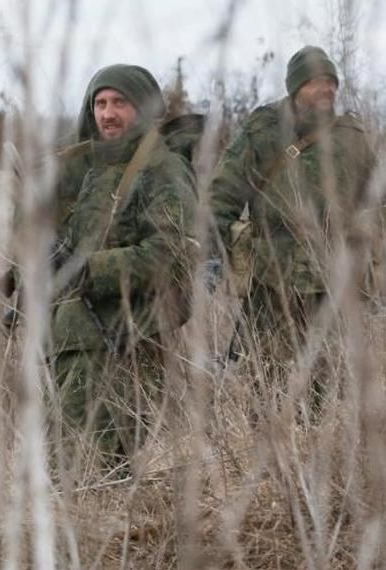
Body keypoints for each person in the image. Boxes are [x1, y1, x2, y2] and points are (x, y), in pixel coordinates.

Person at [210, 46, 377, 407]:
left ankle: (312, 446)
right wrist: (225, 253)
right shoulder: (263, 129)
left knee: (326, 375)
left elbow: (377, 203)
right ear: (295, 87)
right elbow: (221, 195)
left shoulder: (352, 134)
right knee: (264, 374)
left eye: (331, 82)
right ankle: (263, 448)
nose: (326, 89)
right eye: (316, 82)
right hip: (271, 277)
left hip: (332, 277)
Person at [49, 64, 197, 471]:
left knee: (100, 463)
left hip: (127, 339)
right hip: (71, 342)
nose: (108, 114)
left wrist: (91, 269)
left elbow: (170, 252)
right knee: (61, 459)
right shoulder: (93, 168)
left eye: (120, 103)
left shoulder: (162, 169)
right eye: (100, 103)